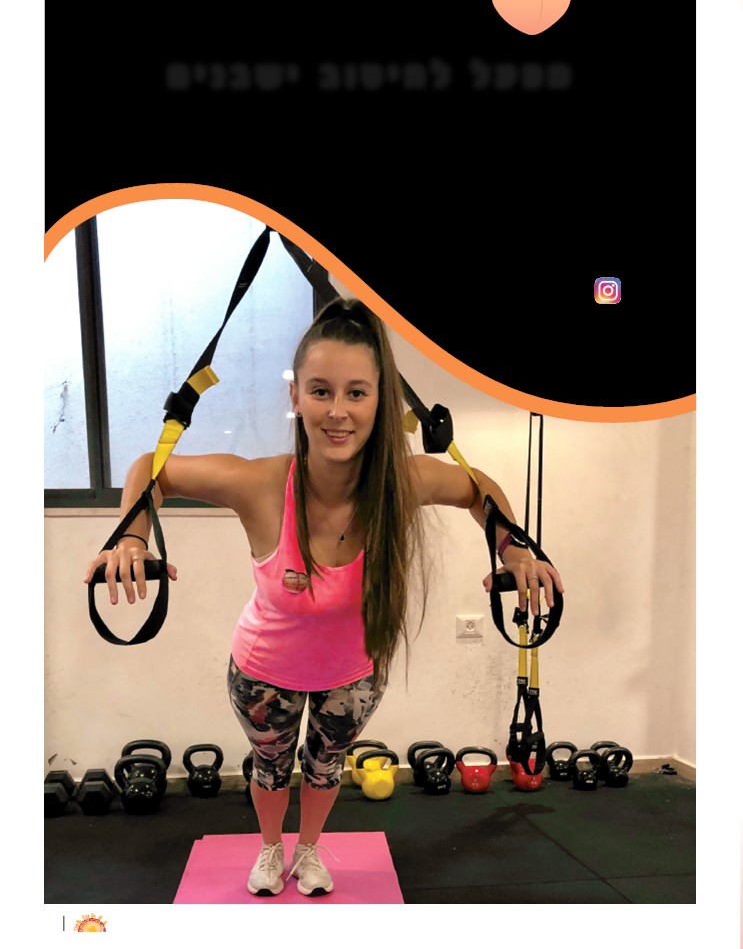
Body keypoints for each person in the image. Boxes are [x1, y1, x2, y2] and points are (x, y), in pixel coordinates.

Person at [84, 296, 564, 898]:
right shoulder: (260, 483)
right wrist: (131, 537)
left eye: (356, 393)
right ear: (296, 397)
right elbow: (152, 469)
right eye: (320, 391)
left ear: (380, 400)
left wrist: (513, 551)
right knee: (270, 767)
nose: (338, 412)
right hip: (263, 671)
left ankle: (308, 849)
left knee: (325, 765)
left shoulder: (401, 484)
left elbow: (477, 488)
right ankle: (270, 850)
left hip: (354, 672)